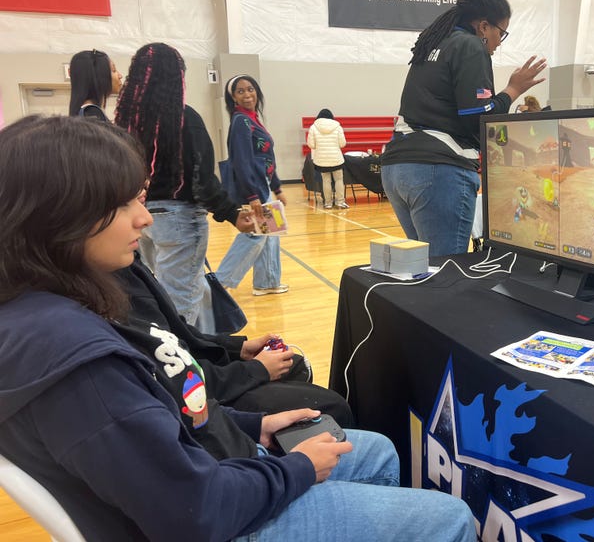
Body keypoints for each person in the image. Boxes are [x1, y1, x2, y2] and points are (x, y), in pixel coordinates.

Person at [0, 115, 477, 542]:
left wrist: (255, 426)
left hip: (216, 469)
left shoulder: (57, 304)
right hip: (221, 513)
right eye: (124, 205)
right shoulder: (76, 364)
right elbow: (195, 512)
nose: (144, 219)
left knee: (375, 451)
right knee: (450, 518)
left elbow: (166, 413)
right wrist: (297, 469)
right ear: (60, 216)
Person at [381, 0, 548, 257]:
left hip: (398, 168)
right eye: (500, 33)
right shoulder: (470, 45)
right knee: (449, 272)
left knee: (429, 268)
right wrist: (512, 91)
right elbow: (477, 118)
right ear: (484, 27)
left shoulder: (435, 43)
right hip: (438, 169)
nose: (499, 43)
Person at [118, 252, 355, 426]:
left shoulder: (127, 266)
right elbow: (177, 380)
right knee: (332, 406)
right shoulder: (114, 295)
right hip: (201, 396)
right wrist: (256, 370)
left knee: (296, 365)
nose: (146, 219)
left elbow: (180, 335)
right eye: (129, 204)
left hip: (201, 377)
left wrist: (237, 348)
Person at [115, 43, 252, 330]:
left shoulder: (128, 121)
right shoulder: (184, 119)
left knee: (169, 291)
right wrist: (232, 213)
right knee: (180, 304)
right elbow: (202, 179)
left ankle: (202, 347)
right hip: (179, 221)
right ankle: (181, 365)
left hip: (143, 218)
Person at [215, 74, 288, 296]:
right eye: (241, 91)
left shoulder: (253, 119)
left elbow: (267, 157)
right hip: (254, 185)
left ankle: (267, 282)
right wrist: (252, 195)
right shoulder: (240, 121)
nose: (247, 94)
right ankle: (219, 283)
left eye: (250, 89)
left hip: (263, 183)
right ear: (233, 98)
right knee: (255, 233)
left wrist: (277, 187)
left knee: (272, 231)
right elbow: (241, 161)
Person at [306, 108, 348, 209]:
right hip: (336, 158)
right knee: (339, 180)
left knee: (326, 180)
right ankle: (340, 202)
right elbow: (342, 144)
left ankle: (328, 203)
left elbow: (311, 145)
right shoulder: (337, 127)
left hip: (321, 159)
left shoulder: (313, 127)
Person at [68, 49, 123, 120]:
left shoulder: (86, 113)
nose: (120, 76)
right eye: (114, 70)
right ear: (99, 76)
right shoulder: (92, 114)